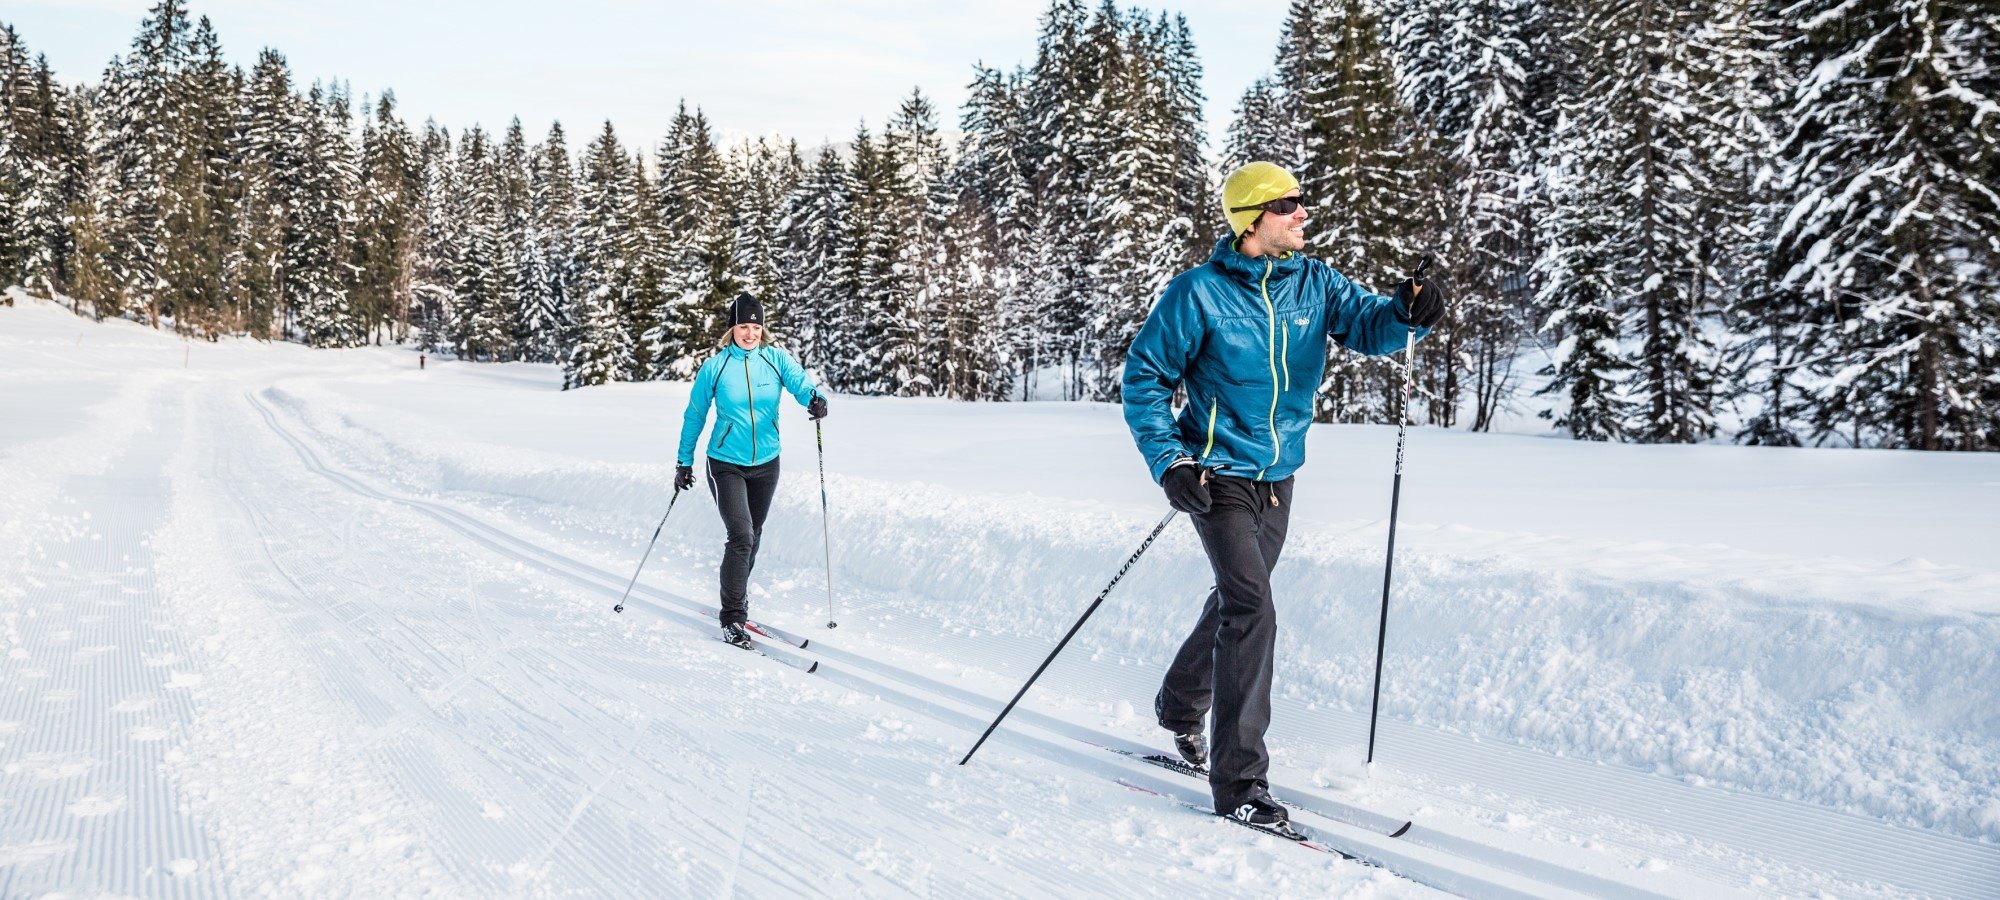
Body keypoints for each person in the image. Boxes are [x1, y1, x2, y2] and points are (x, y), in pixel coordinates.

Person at [1120, 161, 1447, 834]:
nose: (1302, 213)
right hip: (1215, 474)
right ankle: (1240, 784)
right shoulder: (1198, 293)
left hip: (1278, 477)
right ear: (1251, 219)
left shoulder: (1314, 282)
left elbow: (1371, 326)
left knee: (1239, 599)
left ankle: (1180, 706)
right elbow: (1144, 379)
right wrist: (1169, 461)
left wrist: (1407, 312)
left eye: (1302, 201)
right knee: (1251, 607)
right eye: (1287, 204)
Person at [677, 293, 828, 648]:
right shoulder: (715, 367)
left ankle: (737, 595)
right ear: (732, 328)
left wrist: (815, 399)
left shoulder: (775, 359)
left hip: (767, 463)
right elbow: (695, 415)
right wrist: (684, 462)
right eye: (743, 326)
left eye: (756, 327)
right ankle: (732, 616)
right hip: (725, 462)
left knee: (753, 535)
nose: (750, 333)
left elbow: (800, 383)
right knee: (741, 535)